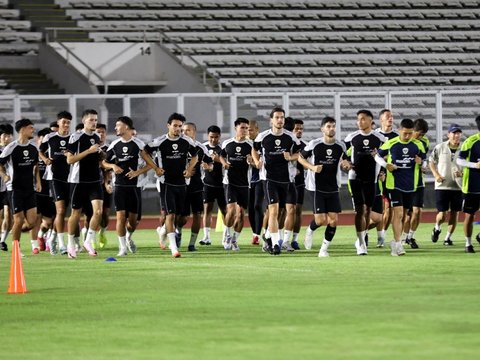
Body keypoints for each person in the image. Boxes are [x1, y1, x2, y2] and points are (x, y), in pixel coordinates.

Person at [145, 113, 197, 258]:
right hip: (166, 183)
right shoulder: (160, 141)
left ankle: (162, 231)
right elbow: (144, 152)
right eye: (175, 126)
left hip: (182, 183)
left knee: (181, 217)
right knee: (170, 215)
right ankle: (174, 248)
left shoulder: (187, 141)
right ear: (168, 126)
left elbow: (195, 156)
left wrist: (189, 168)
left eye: (180, 126)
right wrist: (155, 168)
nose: (178, 129)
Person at [103, 116, 157, 256]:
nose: (115, 128)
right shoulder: (114, 144)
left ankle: (128, 237)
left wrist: (138, 172)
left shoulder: (138, 144)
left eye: (118, 125)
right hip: (119, 186)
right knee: (120, 217)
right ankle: (122, 248)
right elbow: (103, 163)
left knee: (133, 221)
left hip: (134, 187)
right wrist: (113, 165)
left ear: (126, 127)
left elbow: (151, 164)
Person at [252, 107, 301, 255]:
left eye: (282, 117)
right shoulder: (263, 136)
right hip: (269, 178)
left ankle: (267, 236)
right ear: (271, 120)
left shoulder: (290, 137)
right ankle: (275, 244)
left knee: (280, 211)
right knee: (273, 211)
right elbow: (254, 149)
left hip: (285, 179)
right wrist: (257, 161)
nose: (280, 120)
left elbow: (298, 153)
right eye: (277, 117)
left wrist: (290, 157)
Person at [300, 116, 351, 256]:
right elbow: (300, 157)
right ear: (322, 129)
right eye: (328, 126)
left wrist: (346, 165)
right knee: (320, 220)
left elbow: (345, 161)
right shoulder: (314, 144)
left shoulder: (340, 146)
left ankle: (323, 249)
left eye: (333, 126)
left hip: (333, 187)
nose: (331, 128)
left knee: (334, 220)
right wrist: (312, 167)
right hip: (316, 187)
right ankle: (310, 230)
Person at [375, 118, 426, 256]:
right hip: (394, 184)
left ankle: (396, 241)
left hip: (411, 185)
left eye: (410, 133)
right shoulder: (391, 143)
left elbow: (425, 163)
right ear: (399, 131)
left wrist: (421, 163)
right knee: (398, 214)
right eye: (405, 133)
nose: (408, 136)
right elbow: (377, 156)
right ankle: (397, 244)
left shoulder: (418, 145)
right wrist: (386, 165)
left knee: (404, 217)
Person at [344, 110, 385, 255]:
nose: (359, 122)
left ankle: (363, 236)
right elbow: (343, 156)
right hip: (355, 178)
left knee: (368, 210)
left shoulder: (380, 139)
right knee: (360, 210)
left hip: (371, 179)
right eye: (358, 119)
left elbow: (386, 157)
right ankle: (361, 243)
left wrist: (383, 172)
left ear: (370, 121)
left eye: (362, 119)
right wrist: (346, 164)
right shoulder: (351, 138)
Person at [65, 109, 104, 258]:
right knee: (76, 213)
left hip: (94, 180)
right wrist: (88, 151)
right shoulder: (76, 137)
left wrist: (101, 155)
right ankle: (70, 244)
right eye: (91, 120)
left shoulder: (96, 136)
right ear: (84, 121)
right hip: (78, 181)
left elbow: (98, 158)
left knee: (98, 212)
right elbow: (70, 160)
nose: (94, 122)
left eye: (95, 120)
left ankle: (88, 241)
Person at [0, 119, 40, 254]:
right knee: (18, 219)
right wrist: (4, 175)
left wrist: (38, 182)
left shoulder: (34, 148)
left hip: (30, 189)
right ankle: (16, 249)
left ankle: (14, 232)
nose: (33, 130)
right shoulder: (11, 147)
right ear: (22, 130)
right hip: (14, 189)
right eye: (30, 128)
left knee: (32, 222)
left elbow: (36, 167)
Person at [39, 110, 72, 255]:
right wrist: (45, 159)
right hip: (55, 178)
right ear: (58, 123)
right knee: (60, 210)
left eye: (68, 122)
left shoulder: (73, 138)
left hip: (71, 178)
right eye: (63, 122)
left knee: (66, 212)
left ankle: (52, 237)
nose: (66, 125)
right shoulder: (50, 137)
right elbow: (39, 151)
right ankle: (62, 244)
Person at [177, 122, 213, 252]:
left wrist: (208, 167)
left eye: (188, 130)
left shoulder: (201, 148)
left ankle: (192, 244)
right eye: (183, 130)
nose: (185, 132)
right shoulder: (178, 146)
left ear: (194, 132)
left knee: (198, 214)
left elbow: (210, 163)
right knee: (182, 218)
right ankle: (178, 232)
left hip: (196, 186)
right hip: (180, 186)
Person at [219, 117, 253, 251]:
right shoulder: (227, 143)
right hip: (230, 182)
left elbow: (257, 162)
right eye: (242, 127)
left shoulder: (251, 145)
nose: (245, 130)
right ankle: (226, 234)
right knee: (231, 210)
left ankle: (234, 240)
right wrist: (224, 163)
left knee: (241, 214)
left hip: (245, 183)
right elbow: (221, 156)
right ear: (236, 128)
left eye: (246, 128)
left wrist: (251, 161)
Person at [429, 124, 463, 246]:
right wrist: (436, 175)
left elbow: (469, 165)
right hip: (442, 185)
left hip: (458, 186)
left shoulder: (464, 148)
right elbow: (431, 161)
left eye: (458, 133)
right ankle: (437, 227)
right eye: (454, 133)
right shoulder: (440, 147)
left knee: (455, 213)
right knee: (442, 214)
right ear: (448, 134)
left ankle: (448, 238)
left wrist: (462, 173)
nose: (456, 135)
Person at [403, 118, 430, 248]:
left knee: (417, 211)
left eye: (423, 134)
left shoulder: (424, 142)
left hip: (419, 181)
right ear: (413, 130)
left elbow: (424, 160)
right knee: (406, 214)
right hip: (405, 181)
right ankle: (402, 237)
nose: (421, 136)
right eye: (419, 133)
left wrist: (423, 165)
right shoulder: (404, 140)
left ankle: (410, 237)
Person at [374, 109, 398, 247]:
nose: (390, 119)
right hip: (375, 176)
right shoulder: (375, 136)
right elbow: (372, 155)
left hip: (390, 177)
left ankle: (382, 234)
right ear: (381, 120)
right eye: (387, 117)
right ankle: (364, 232)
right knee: (375, 210)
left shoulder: (396, 136)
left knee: (389, 208)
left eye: (392, 117)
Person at [200, 125, 227, 246]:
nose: (213, 139)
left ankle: (226, 236)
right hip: (207, 184)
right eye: (211, 137)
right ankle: (206, 237)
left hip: (222, 185)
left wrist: (217, 160)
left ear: (219, 137)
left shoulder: (223, 148)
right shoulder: (203, 147)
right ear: (207, 136)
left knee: (225, 211)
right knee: (207, 210)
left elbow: (227, 164)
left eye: (216, 137)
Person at [456, 116, 480, 253]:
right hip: (472, 185)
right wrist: (474, 165)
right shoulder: (471, 142)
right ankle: (468, 243)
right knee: (469, 215)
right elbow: (459, 160)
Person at [31, 127, 55, 253]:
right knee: (35, 219)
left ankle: (41, 235)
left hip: (49, 191)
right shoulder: (33, 153)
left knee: (48, 221)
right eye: (43, 138)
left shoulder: (53, 155)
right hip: (35, 191)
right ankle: (34, 245)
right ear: (38, 139)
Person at [247, 120, 264, 245]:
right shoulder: (244, 143)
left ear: (257, 130)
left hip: (261, 179)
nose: (248, 132)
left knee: (258, 205)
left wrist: (252, 162)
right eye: (247, 129)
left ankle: (258, 234)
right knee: (251, 208)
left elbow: (261, 163)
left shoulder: (262, 142)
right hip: (247, 181)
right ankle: (255, 233)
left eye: (251, 129)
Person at [96, 123, 112, 249]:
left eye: (103, 132)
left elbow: (109, 169)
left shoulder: (109, 148)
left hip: (104, 184)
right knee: (91, 214)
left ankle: (102, 231)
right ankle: (88, 238)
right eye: (98, 132)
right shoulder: (89, 148)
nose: (100, 134)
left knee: (105, 214)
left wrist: (107, 183)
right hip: (90, 184)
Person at [291, 119, 306, 250]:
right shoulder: (286, 143)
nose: (299, 131)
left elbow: (307, 165)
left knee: (297, 211)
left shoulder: (305, 146)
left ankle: (294, 239)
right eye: (296, 128)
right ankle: (275, 236)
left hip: (299, 183)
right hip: (284, 182)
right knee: (282, 211)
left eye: (301, 128)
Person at [0, 123, 13, 251]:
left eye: (9, 135)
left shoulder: (12, 149)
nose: (7, 138)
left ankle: (2, 241)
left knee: (8, 215)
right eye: (4, 135)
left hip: (8, 188)